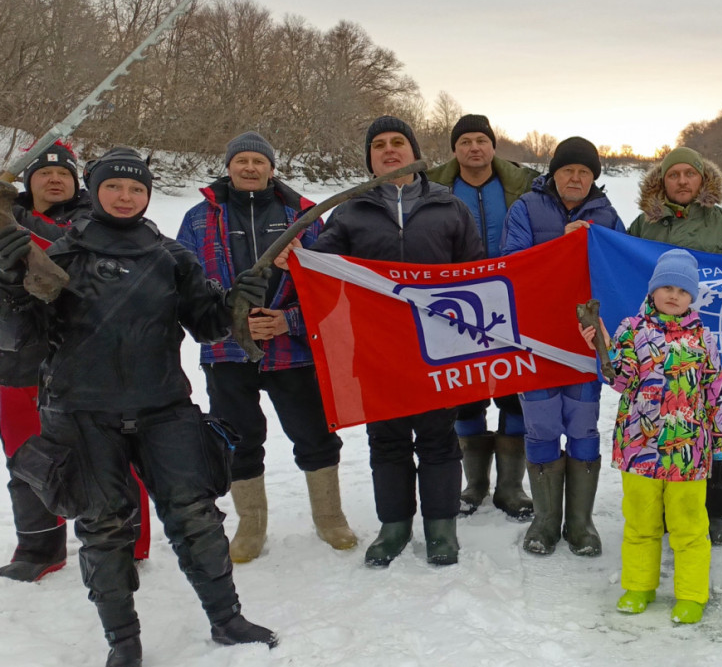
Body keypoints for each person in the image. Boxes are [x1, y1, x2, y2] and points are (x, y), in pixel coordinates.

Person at [0, 147, 276, 666]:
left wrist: (236, 300)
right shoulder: (59, 256)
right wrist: (12, 283)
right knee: (103, 532)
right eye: (114, 187)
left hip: (164, 407)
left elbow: (210, 324)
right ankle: (123, 644)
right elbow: (25, 341)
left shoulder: (171, 256)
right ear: (96, 190)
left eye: (136, 189)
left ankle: (227, 618)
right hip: (82, 415)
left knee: (196, 518)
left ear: (147, 195)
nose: (125, 197)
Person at [294, 116, 483, 568]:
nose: (389, 149)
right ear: (370, 158)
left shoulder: (448, 206)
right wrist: (296, 258)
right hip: (374, 347)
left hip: (437, 345)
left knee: (439, 439)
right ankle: (394, 525)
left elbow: (475, 271)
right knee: (387, 440)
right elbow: (321, 266)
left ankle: (441, 527)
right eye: (378, 145)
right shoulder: (352, 211)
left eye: (398, 142)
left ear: (413, 150)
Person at [176, 132, 355, 563]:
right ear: (229, 167)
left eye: (259, 161)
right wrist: (232, 323)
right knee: (238, 437)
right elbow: (186, 285)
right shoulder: (199, 219)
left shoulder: (303, 215)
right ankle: (250, 524)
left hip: (292, 348)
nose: (251, 168)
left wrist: (287, 321)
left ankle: (330, 517)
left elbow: (329, 286)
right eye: (242, 161)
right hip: (227, 351)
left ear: (273, 168)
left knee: (314, 433)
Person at [0, 142, 150, 582]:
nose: (54, 179)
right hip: (16, 356)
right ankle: (39, 544)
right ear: (28, 182)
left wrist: (10, 216)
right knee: (25, 454)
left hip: (85, 359)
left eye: (63, 173)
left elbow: (66, 248)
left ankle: (129, 540)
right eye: (44, 173)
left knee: (111, 455)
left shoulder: (95, 219)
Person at [580, 249, 722, 624]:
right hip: (640, 447)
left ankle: (691, 594)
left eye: (682, 290)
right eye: (666, 287)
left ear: (692, 297)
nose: (673, 295)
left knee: (689, 526)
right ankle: (638, 586)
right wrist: (600, 347)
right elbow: (619, 379)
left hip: (689, 451)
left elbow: (715, 391)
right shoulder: (632, 329)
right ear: (652, 291)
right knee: (640, 521)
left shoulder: (704, 338)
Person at [502, 136, 625, 556]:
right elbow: (513, 265)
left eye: (585, 172)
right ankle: (544, 521)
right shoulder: (525, 209)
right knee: (541, 425)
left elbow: (620, 270)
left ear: (593, 179)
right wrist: (561, 246)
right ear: (553, 173)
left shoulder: (607, 216)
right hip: (536, 338)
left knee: (583, 426)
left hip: (585, 342)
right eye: (568, 170)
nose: (576, 178)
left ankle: (580, 523)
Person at [627, 146, 722, 545]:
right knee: (662, 422)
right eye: (673, 174)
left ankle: (716, 509)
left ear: (702, 179)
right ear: (662, 181)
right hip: (658, 343)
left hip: (711, 337)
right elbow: (621, 267)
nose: (682, 181)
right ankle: (663, 505)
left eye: (689, 174)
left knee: (712, 420)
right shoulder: (644, 226)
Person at [427, 114, 536, 520]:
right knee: (465, 395)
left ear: (493, 146)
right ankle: (474, 484)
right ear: (454, 150)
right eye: (465, 142)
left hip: (512, 303)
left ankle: (510, 486)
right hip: (453, 305)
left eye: (481, 140)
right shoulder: (435, 187)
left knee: (514, 390)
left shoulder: (522, 184)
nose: (474, 147)